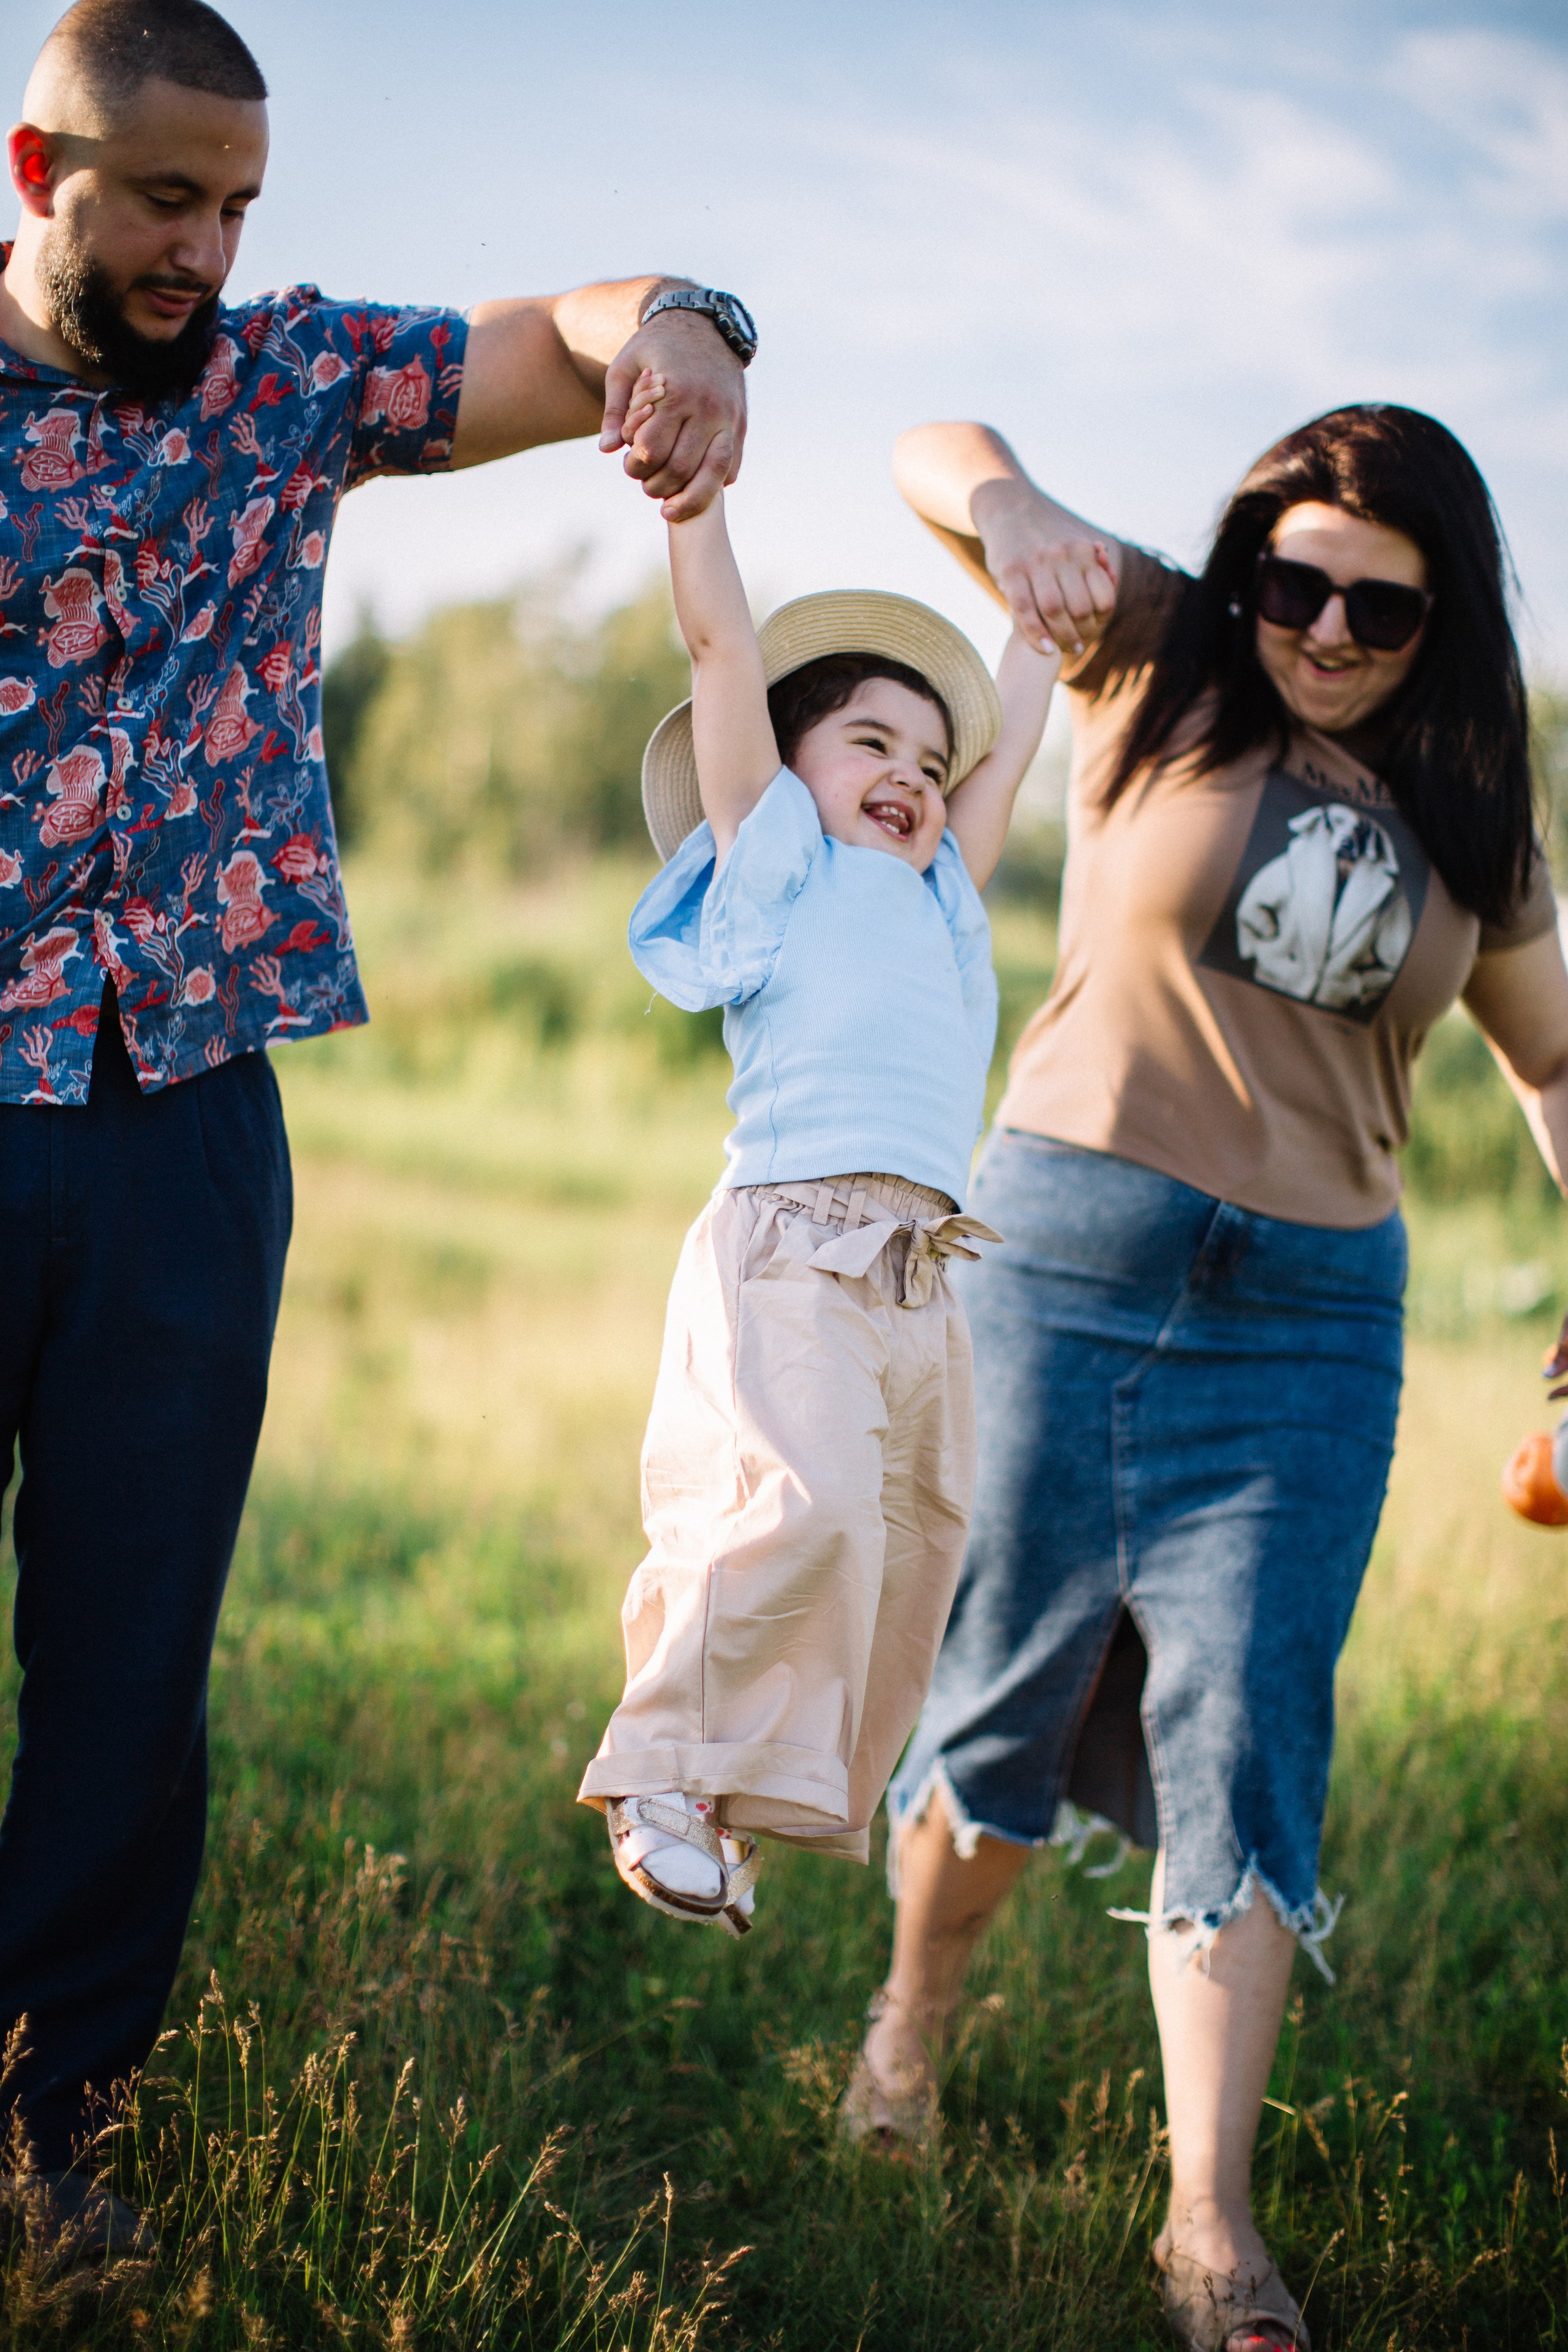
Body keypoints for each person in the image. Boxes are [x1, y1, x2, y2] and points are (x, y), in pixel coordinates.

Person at [0, 0, 753, 2260]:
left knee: (132, 1654)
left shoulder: (286, 377)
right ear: (41, 175)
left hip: (191, 1120)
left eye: (237, 207)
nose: (206, 250)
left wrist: (696, 331)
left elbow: (565, 329)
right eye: (164, 202)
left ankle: (54, 2122)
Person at [842, 406, 1568, 2352]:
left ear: (1448, 615)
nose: (1325, 630)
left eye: (1379, 607)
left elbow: (1556, 1059)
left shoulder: (1475, 807)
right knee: (1000, 1707)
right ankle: (910, 2026)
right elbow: (933, 445)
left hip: (1316, 1317)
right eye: (1297, 583)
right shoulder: (1163, 656)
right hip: (1073, 1255)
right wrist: (1010, 509)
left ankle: (1207, 2226)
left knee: (1245, 1739)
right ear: (1252, 564)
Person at [576, 371, 1063, 1931]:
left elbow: (1000, 766)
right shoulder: (776, 854)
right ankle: (661, 1763)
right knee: (798, 1510)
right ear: (788, 770)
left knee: (910, 1544)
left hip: (921, 1276)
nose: (911, 777)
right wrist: (695, 511)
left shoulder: (937, 894)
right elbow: (724, 649)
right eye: (871, 742)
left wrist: (1036, 637)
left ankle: (738, 1793)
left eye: (929, 758)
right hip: (792, 1240)